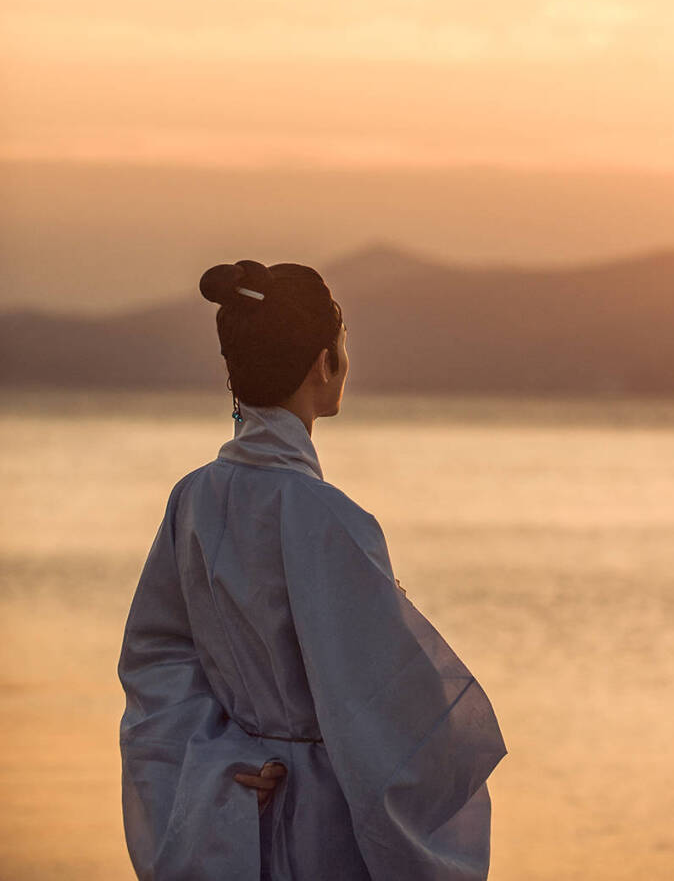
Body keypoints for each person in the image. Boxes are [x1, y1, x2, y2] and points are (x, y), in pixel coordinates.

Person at [117, 258, 507, 881]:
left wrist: (219, 759)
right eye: (342, 347)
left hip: (238, 808)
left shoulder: (192, 498)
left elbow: (156, 657)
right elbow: (388, 702)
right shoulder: (327, 515)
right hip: (326, 813)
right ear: (325, 362)